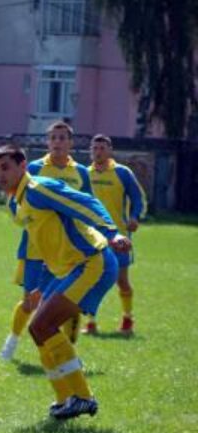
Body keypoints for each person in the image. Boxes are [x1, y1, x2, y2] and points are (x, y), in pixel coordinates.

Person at [0, 144, 130, 420]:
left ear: (23, 166)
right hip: (67, 269)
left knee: (44, 324)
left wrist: (111, 232)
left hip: (93, 261)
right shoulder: (16, 202)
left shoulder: (38, 189)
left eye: (6, 167)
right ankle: (65, 399)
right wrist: (36, 286)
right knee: (38, 330)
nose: (0, 175)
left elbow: (84, 203)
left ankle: (83, 397)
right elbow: (39, 245)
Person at [0, 120, 92, 360]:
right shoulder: (35, 168)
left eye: (63, 138)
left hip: (69, 249)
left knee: (67, 304)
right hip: (35, 249)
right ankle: (12, 340)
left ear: (71, 142)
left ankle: (67, 355)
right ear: (47, 142)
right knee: (30, 301)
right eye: (53, 138)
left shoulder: (81, 173)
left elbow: (87, 205)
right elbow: (13, 199)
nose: (58, 142)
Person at [84, 134, 147, 335]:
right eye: (95, 148)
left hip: (118, 237)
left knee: (122, 280)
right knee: (91, 279)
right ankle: (90, 322)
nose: (98, 152)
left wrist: (135, 217)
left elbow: (138, 198)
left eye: (102, 148)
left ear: (110, 151)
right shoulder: (85, 174)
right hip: (92, 236)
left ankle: (128, 319)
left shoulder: (122, 172)